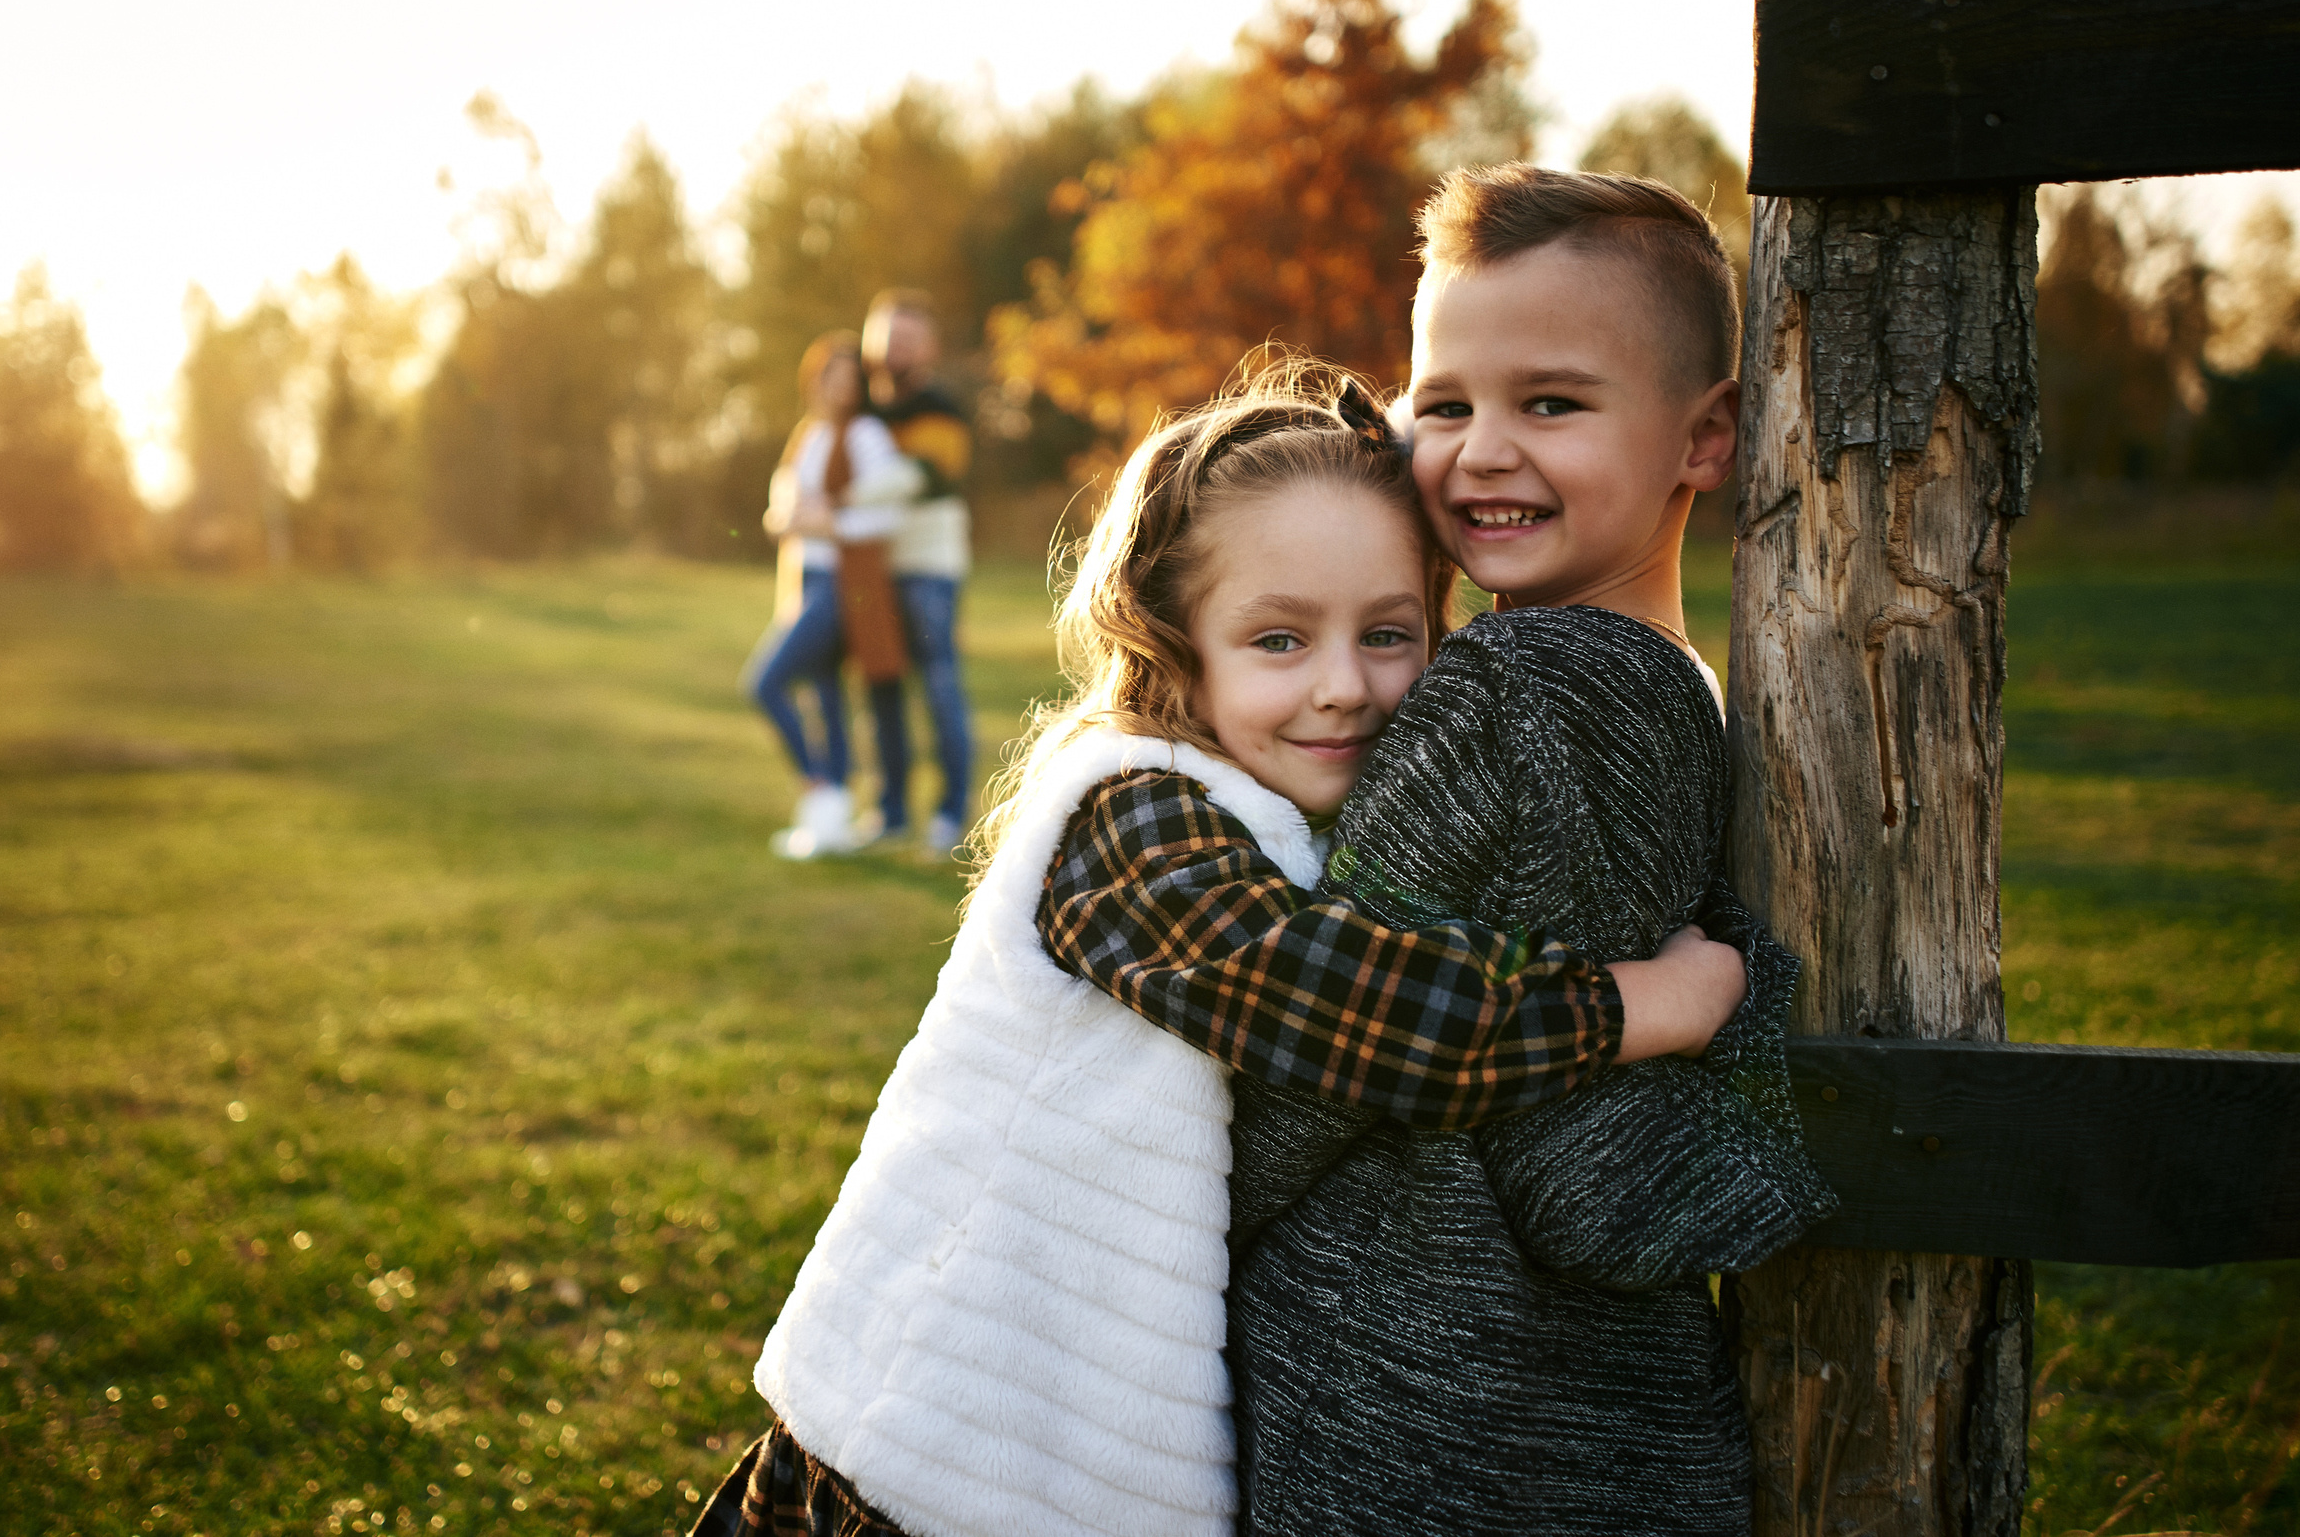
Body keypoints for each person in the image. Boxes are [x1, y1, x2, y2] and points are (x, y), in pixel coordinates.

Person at [695, 367, 1751, 1537]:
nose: (1345, 686)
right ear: (1177, 647)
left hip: (1050, 1447)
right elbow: (1354, 1013)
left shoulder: (1295, 816)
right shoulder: (1129, 818)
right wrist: (1650, 1002)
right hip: (921, 1440)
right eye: (1279, 638)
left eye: (1389, 633)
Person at [1214, 167, 1834, 1534]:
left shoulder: (1529, 693)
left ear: (1705, 434)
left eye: (1550, 402)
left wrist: (1176, 1202)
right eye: (1445, 404)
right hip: (1554, 1426)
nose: (1481, 449)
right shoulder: (1670, 678)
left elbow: (1330, 1040)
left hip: (1443, 1424)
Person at [747, 331, 921, 860]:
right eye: (833, 376)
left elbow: (891, 510)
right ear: (815, 378)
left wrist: (832, 523)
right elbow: (787, 499)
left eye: (853, 378)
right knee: (821, 694)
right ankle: (833, 820)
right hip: (805, 580)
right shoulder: (808, 435)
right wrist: (784, 518)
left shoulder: (866, 434)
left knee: (765, 683)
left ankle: (821, 793)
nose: (843, 388)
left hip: (844, 584)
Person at [859, 289, 974, 852]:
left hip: (929, 566)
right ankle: (891, 813)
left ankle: (951, 814)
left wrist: (840, 498)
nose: (893, 349)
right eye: (884, 336)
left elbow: (922, 477)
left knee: (939, 684)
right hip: (871, 569)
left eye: (906, 337)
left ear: (928, 348)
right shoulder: (859, 409)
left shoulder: (941, 410)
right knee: (881, 686)